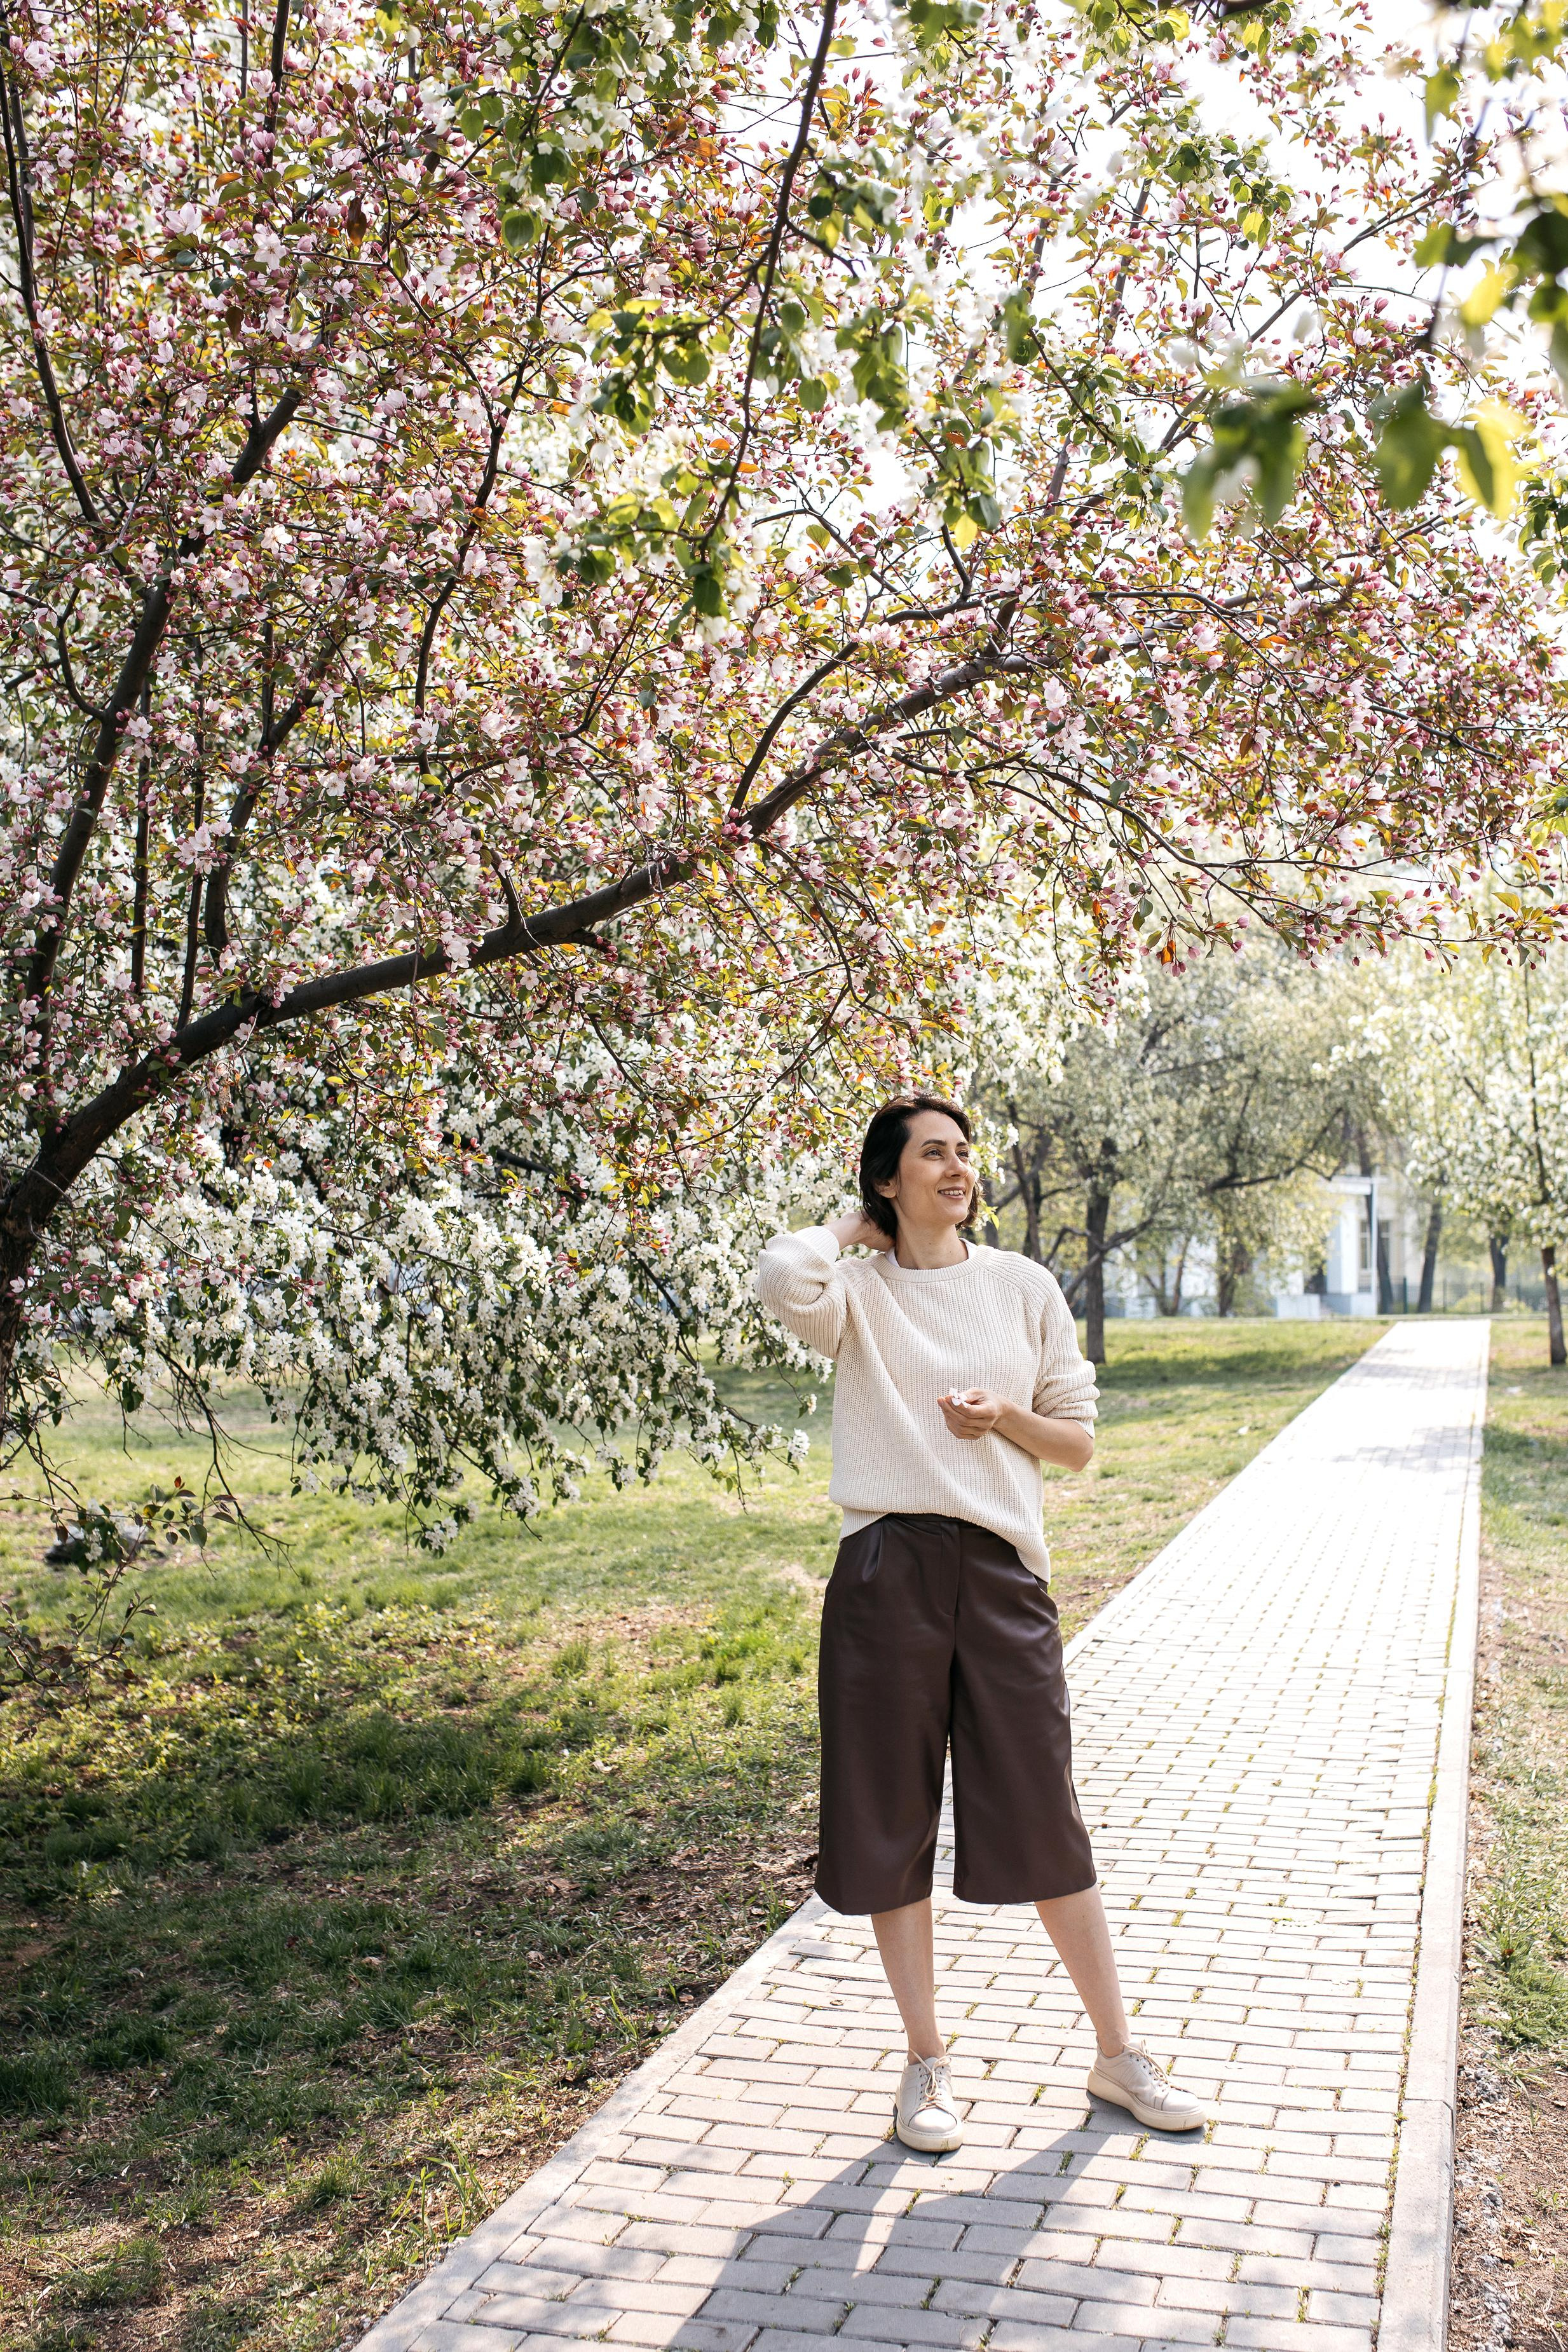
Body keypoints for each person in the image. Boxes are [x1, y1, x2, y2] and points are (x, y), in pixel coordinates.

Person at [754, 1091, 1207, 2152]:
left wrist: (1002, 1419)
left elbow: (1079, 1445)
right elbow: (782, 1280)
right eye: (932, 1155)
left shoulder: (1022, 1286)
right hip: (884, 1576)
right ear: (887, 1179)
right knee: (888, 1820)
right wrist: (848, 1235)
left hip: (1002, 1575)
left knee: (1044, 1810)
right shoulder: (856, 1294)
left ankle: (1117, 2054)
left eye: (965, 1153)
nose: (958, 1169)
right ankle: (926, 2066)